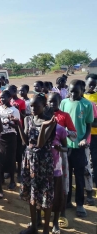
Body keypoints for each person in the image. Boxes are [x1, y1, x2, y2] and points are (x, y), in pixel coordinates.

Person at [14, 93, 56, 234]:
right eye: (31, 106)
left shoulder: (50, 121)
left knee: (45, 194)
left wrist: (43, 127)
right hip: (29, 160)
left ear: (44, 106)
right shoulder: (27, 119)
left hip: (43, 162)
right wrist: (19, 125)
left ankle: (45, 230)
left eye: (36, 106)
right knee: (32, 193)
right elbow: (26, 141)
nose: (33, 109)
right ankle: (33, 226)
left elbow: (40, 144)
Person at [60, 80, 93, 218]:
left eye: (75, 91)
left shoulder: (87, 104)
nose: (72, 94)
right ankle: (67, 201)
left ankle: (79, 204)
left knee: (79, 177)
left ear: (82, 90)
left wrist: (84, 139)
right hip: (65, 147)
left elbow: (88, 126)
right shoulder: (64, 102)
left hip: (79, 148)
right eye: (70, 91)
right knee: (65, 176)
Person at [47, 92, 77, 228]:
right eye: (50, 102)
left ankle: (62, 213)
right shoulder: (44, 115)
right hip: (46, 157)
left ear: (60, 102)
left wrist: (63, 130)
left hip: (60, 157)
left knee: (62, 185)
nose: (52, 104)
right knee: (47, 185)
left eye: (55, 102)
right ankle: (45, 210)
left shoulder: (64, 116)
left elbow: (74, 135)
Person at [0, 90, 20, 190]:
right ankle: (1, 178)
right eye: (0, 97)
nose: (1, 99)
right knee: (1, 158)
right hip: (1, 137)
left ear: (10, 98)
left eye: (3, 97)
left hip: (11, 136)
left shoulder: (14, 110)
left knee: (11, 159)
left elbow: (17, 125)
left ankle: (12, 181)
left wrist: (9, 124)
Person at [51, 123, 68, 234]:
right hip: (40, 167)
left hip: (55, 168)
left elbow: (66, 148)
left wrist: (60, 148)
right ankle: (37, 219)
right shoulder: (35, 125)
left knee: (57, 195)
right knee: (38, 194)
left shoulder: (60, 129)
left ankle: (55, 222)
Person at [8, 85, 26, 183]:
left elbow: (24, 116)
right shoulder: (9, 102)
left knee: (18, 151)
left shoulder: (21, 102)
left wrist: (17, 109)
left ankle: (19, 173)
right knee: (11, 151)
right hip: (10, 129)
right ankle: (11, 169)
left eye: (11, 91)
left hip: (18, 129)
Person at [83, 74, 97, 188]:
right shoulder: (81, 97)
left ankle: (95, 180)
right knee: (86, 160)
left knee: (95, 158)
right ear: (85, 83)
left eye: (94, 85)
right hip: (85, 134)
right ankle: (86, 182)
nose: (92, 87)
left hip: (96, 133)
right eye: (90, 84)